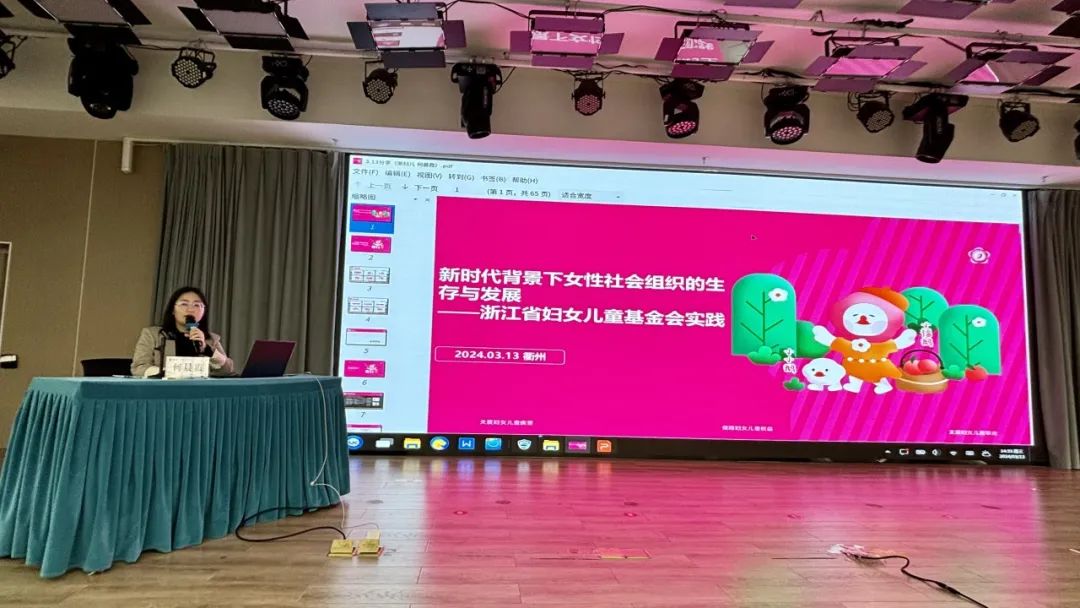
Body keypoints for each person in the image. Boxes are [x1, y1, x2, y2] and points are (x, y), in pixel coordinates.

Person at [131, 286, 235, 377]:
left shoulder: (211, 339)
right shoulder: (152, 335)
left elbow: (228, 370)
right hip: (165, 390)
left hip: (200, 390)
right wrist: (171, 373)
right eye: (184, 304)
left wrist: (207, 350)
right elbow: (139, 368)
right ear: (173, 310)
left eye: (197, 305)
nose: (190, 309)